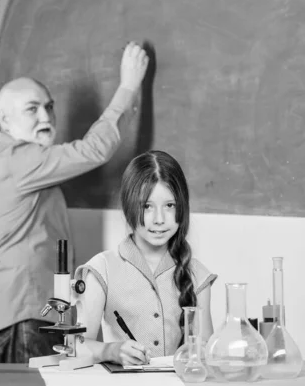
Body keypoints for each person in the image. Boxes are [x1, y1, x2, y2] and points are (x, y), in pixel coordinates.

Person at [0, 42, 149, 363]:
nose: (45, 116)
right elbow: (93, 150)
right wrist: (128, 87)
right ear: (3, 119)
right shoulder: (17, 161)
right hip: (25, 311)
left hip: (15, 311)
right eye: (31, 109)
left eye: (49, 107)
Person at [75, 150, 217, 366]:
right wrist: (110, 351)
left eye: (170, 206)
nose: (159, 219)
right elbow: (76, 346)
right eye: (147, 206)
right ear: (128, 206)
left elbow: (206, 351)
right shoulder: (102, 268)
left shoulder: (197, 275)